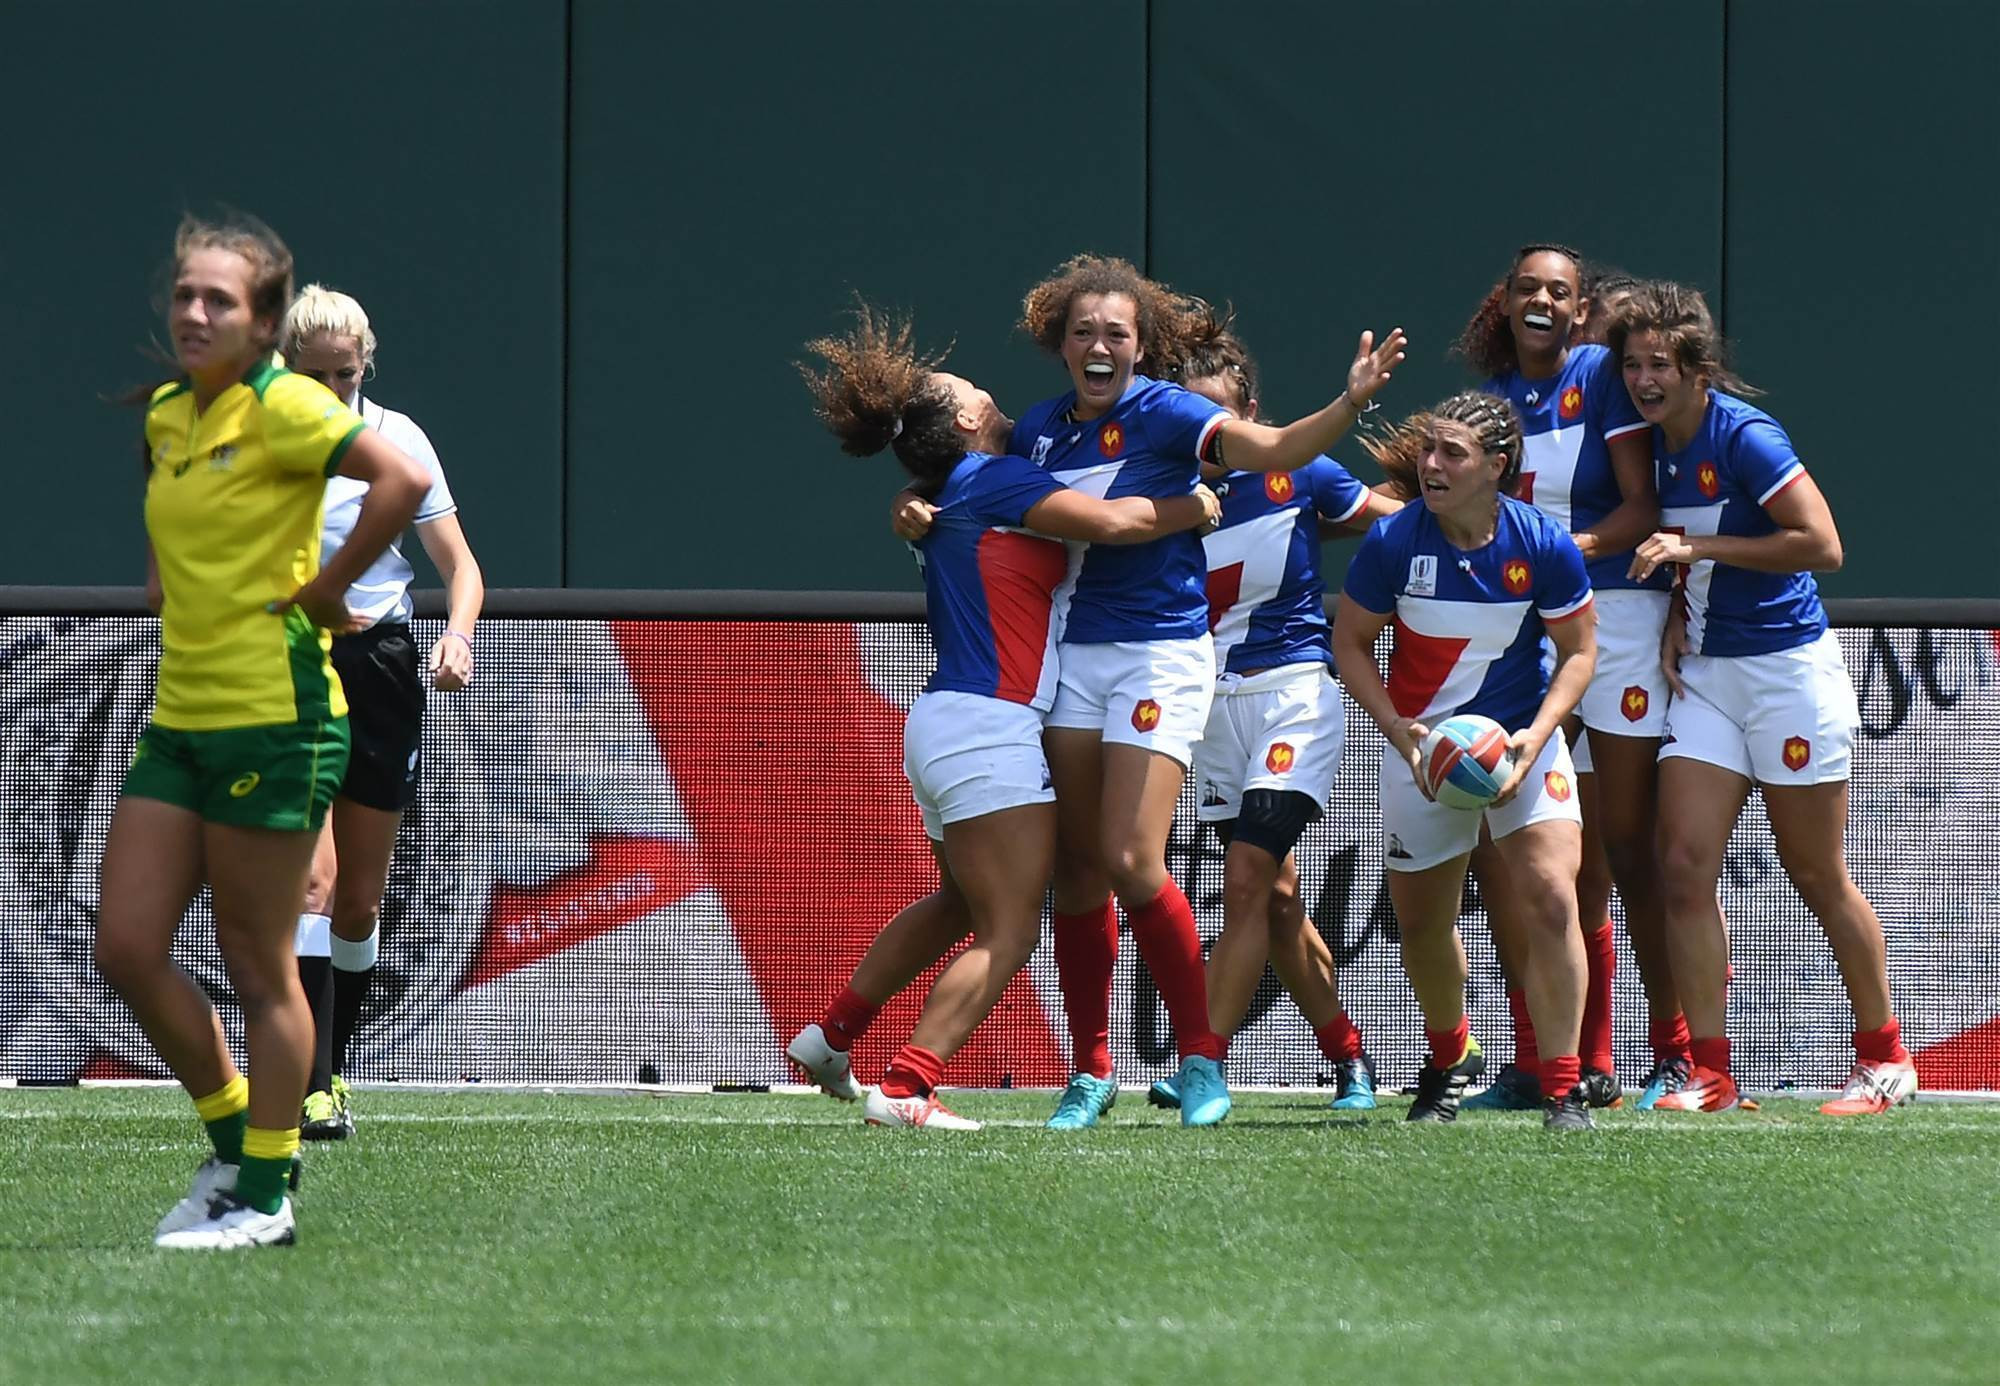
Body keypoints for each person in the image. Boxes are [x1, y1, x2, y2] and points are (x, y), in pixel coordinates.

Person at [791, 304, 1219, 1128]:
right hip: (989, 726)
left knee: (959, 903)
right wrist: (1193, 508)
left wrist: (907, 501)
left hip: (946, 723)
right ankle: (910, 1086)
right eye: (969, 387)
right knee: (1013, 928)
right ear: (964, 418)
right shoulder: (990, 478)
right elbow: (1112, 520)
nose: (986, 388)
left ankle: (833, 1034)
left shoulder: (947, 487)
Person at [1006, 256, 1404, 1129]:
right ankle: (1091, 1071)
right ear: (1060, 343)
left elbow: (1283, 455)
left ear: (1140, 346)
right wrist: (917, 508)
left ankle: (1200, 1061)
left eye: (1117, 332)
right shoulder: (1039, 432)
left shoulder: (1173, 416)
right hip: (1083, 660)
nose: (1100, 345)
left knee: (1134, 862)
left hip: (1174, 661)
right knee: (1079, 875)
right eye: (1084, 332)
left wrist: (1350, 403)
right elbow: (977, 472)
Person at [96, 214, 428, 1248]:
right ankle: (238, 1135)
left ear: (265, 321)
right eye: (185, 295)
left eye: (220, 300)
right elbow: (163, 558)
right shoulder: (164, 414)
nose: (195, 313)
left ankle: (267, 1196)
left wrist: (326, 590)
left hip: (277, 719)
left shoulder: (287, 405)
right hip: (183, 717)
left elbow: (402, 482)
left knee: (256, 962)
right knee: (125, 947)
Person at [1610, 282, 1916, 1116]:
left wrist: (1693, 548)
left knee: (1815, 871)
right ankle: (1711, 1073)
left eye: (1660, 365)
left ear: (1698, 368)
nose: (1644, 379)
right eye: (1633, 364)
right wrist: (1680, 606)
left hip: (1788, 674)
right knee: (1681, 869)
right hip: (1707, 678)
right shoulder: (1653, 445)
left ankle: (1886, 1061)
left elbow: (1824, 545)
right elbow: (1693, 558)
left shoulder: (1743, 433)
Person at [1142, 318, 1401, 1113]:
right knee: (1278, 901)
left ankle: (1204, 1063)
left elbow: (1399, 521)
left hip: (1294, 691)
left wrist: (1510, 541)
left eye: (1218, 419)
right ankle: (1352, 1064)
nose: (1205, 438)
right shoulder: (1158, 486)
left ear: (1249, 411)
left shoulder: (1305, 475)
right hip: (1208, 707)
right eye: (1190, 421)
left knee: (1249, 876)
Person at [1453, 244, 1688, 1112]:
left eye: (1559, 290)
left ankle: (1674, 1052)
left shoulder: (1598, 373)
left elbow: (1640, 510)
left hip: (1613, 623)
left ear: (1581, 308)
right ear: (1505, 302)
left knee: (1628, 849)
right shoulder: (1492, 405)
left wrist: (1555, 555)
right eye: (1527, 288)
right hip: (1522, 636)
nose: (1542, 300)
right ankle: (1555, 1064)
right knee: (1532, 860)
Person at [1332, 392, 1600, 1131]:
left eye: (1453, 453)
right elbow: (1350, 644)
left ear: (1498, 468)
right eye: (1428, 448)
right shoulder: (1393, 543)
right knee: (1421, 923)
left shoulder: (1540, 542)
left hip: (1521, 741)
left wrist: (1536, 736)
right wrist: (1399, 731)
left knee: (1550, 896)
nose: (1431, 465)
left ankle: (1564, 1086)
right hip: (1423, 752)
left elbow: (1580, 653)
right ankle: (1451, 1057)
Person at [280, 285, 486, 1141]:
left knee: (362, 900)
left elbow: (461, 567)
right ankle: (311, 1084)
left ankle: (333, 1061)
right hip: (294, 663)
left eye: (346, 373)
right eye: (314, 374)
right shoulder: (265, 440)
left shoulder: (400, 439)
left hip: (385, 668)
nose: (333, 390)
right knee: (316, 886)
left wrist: (458, 635)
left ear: (368, 362)